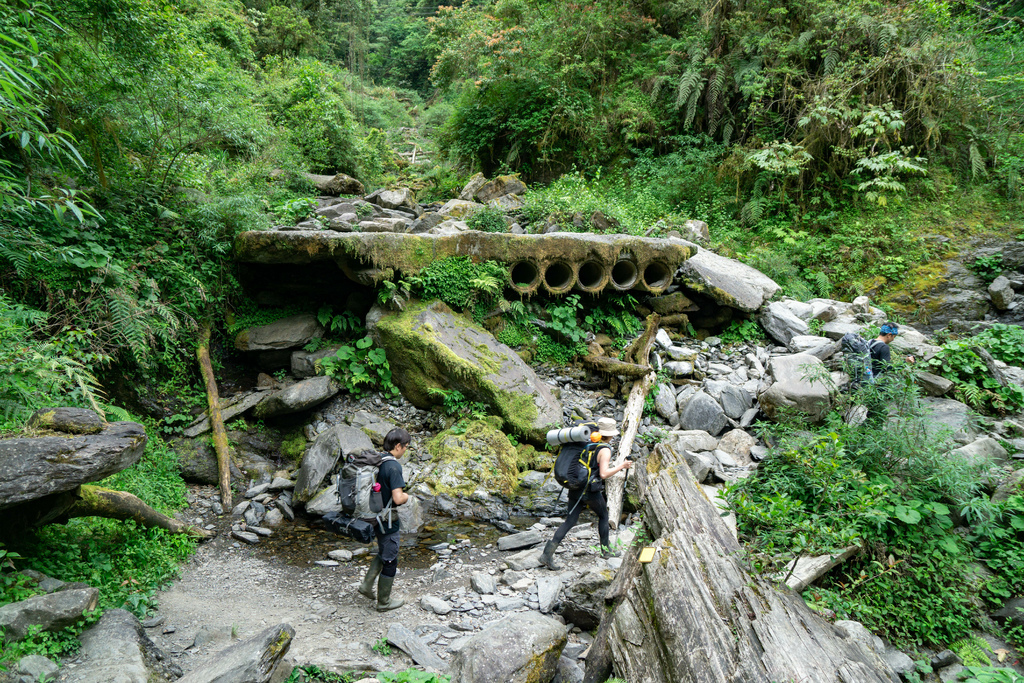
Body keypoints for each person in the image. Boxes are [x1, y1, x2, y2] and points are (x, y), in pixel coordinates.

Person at [539, 417, 633, 570]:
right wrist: (622, 465)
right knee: (603, 516)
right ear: (610, 435)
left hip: (575, 485)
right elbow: (603, 474)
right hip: (590, 490)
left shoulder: (585, 442)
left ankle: (547, 555)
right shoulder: (604, 449)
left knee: (570, 521)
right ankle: (606, 551)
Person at [357, 428, 410, 611]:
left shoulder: (379, 460)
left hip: (374, 517)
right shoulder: (394, 466)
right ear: (398, 446)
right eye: (406, 447)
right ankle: (384, 602)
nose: (405, 451)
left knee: (384, 550)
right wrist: (408, 497)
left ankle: (366, 585)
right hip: (387, 521)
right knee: (391, 559)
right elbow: (397, 498)